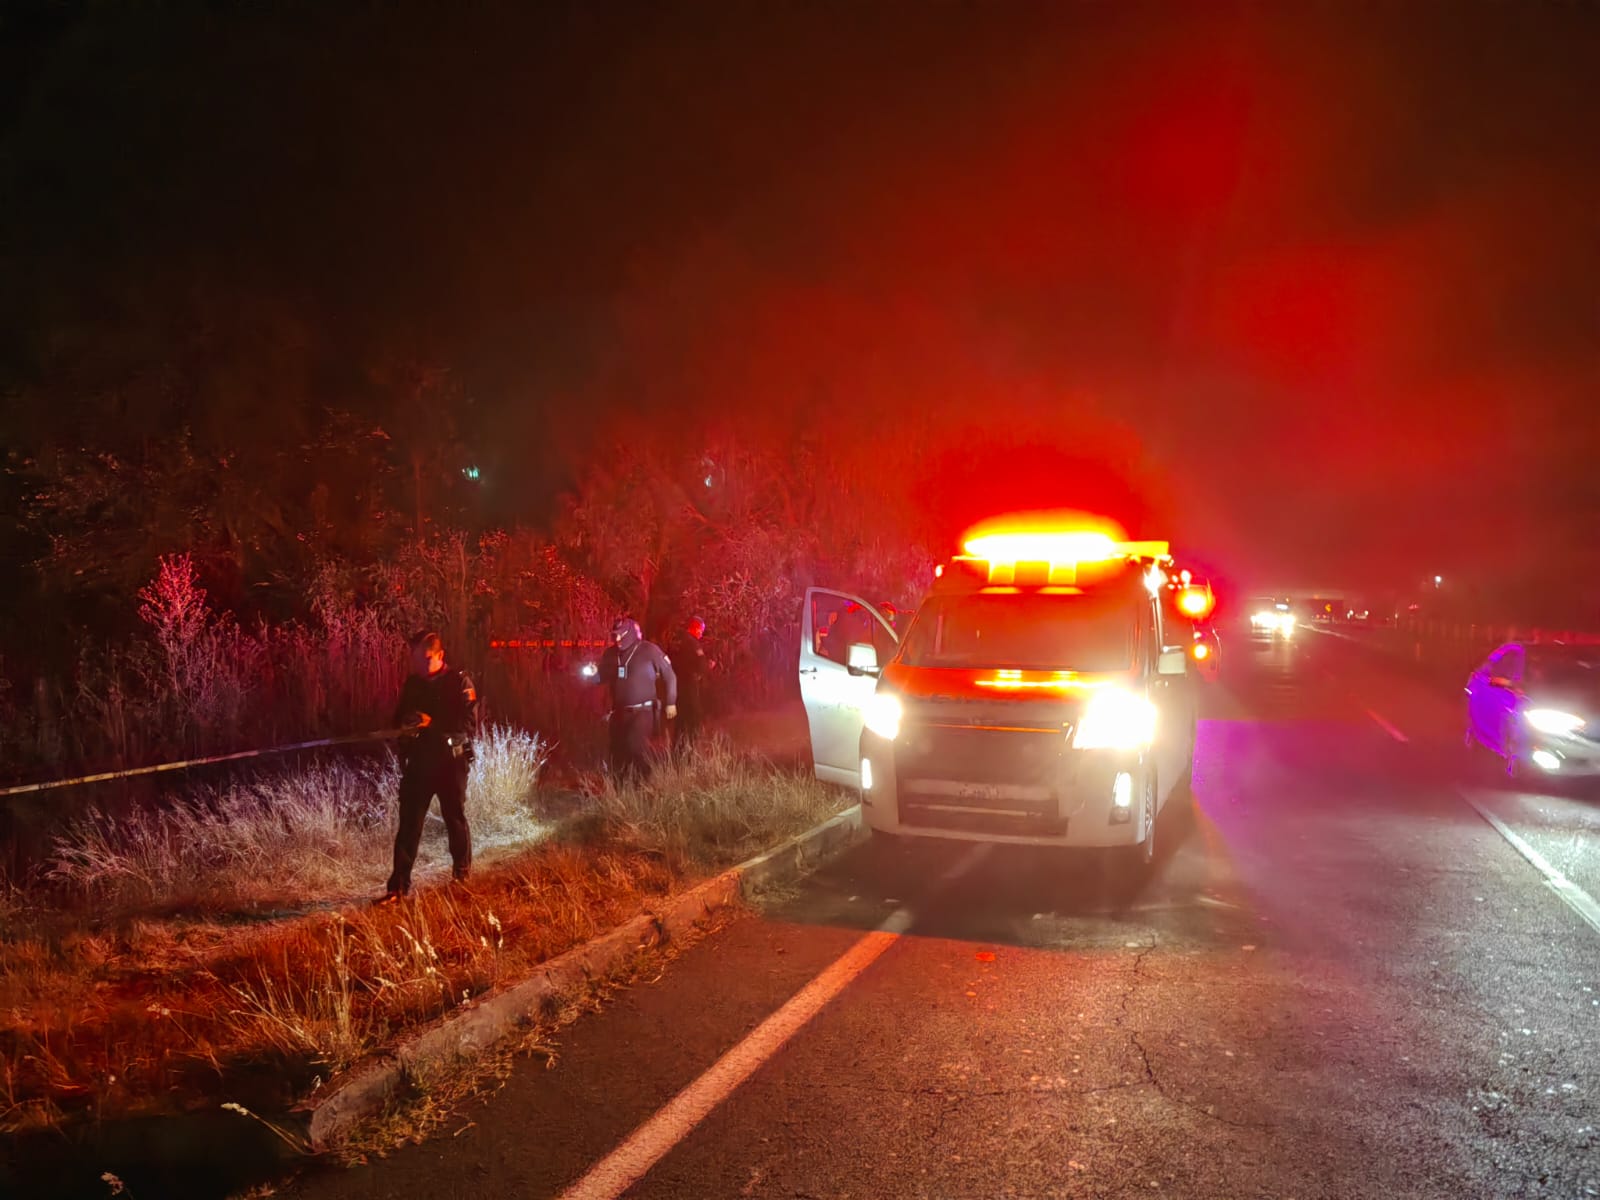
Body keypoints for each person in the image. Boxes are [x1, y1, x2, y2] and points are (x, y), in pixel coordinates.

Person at [381, 631, 477, 902]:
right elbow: (399, 716)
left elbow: (468, 724)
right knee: (409, 823)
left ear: (440, 655)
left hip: (451, 761)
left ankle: (462, 877)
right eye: (416, 660)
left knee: (454, 819)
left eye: (426, 659)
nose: (421, 665)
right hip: (420, 762)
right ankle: (397, 888)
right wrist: (404, 724)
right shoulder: (414, 684)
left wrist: (432, 723)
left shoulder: (459, 682)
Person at [591, 616, 677, 779]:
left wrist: (671, 702)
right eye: (614, 635)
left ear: (629, 633)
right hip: (619, 713)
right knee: (617, 753)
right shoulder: (611, 654)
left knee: (636, 748)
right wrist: (590, 675)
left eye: (620, 635)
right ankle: (620, 791)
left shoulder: (649, 650)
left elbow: (670, 676)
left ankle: (644, 784)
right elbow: (601, 677)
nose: (617, 639)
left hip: (643, 712)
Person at [667, 615, 716, 750]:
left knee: (681, 721)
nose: (701, 634)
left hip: (678, 686)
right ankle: (691, 750)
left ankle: (677, 750)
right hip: (689, 687)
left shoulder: (678, 641)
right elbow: (700, 665)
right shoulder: (692, 643)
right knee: (693, 719)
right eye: (701, 630)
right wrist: (708, 666)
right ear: (695, 627)